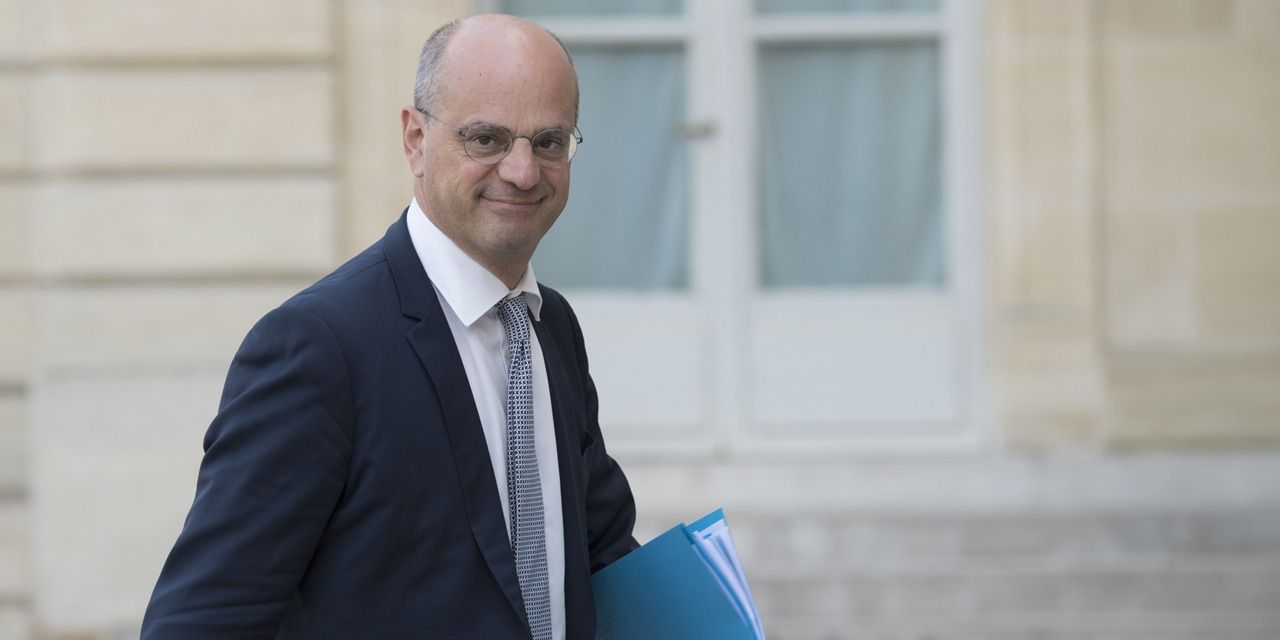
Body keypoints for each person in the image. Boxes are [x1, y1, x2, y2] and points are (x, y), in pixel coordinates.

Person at [141, 14, 638, 639]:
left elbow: (603, 557)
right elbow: (202, 621)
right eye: (486, 139)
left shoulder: (550, 327)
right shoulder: (319, 347)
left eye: (548, 142)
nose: (522, 171)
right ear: (415, 138)